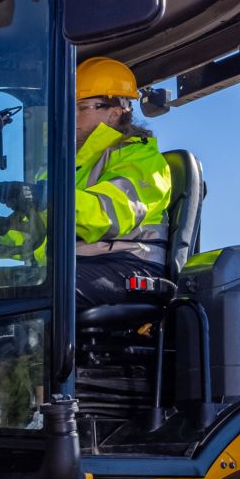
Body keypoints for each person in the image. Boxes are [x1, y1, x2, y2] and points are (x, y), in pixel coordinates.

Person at [70, 55, 173, 304]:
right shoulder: (76, 164)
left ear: (114, 112)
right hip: (78, 265)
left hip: (128, 267)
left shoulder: (142, 159)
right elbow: (40, 231)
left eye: (82, 108)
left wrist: (44, 197)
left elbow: (108, 216)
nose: (72, 116)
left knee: (38, 295)